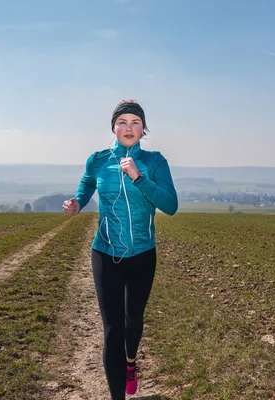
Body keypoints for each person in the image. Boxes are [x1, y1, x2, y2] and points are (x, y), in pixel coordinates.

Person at [63, 100, 178, 399]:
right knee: (113, 329)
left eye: (135, 122)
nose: (128, 128)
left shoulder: (154, 162)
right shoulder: (98, 160)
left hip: (142, 253)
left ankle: (130, 362)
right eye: (122, 122)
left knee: (133, 319)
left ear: (143, 129)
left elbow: (171, 205)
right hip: (105, 251)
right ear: (113, 127)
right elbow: (87, 185)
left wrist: (139, 178)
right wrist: (76, 203)